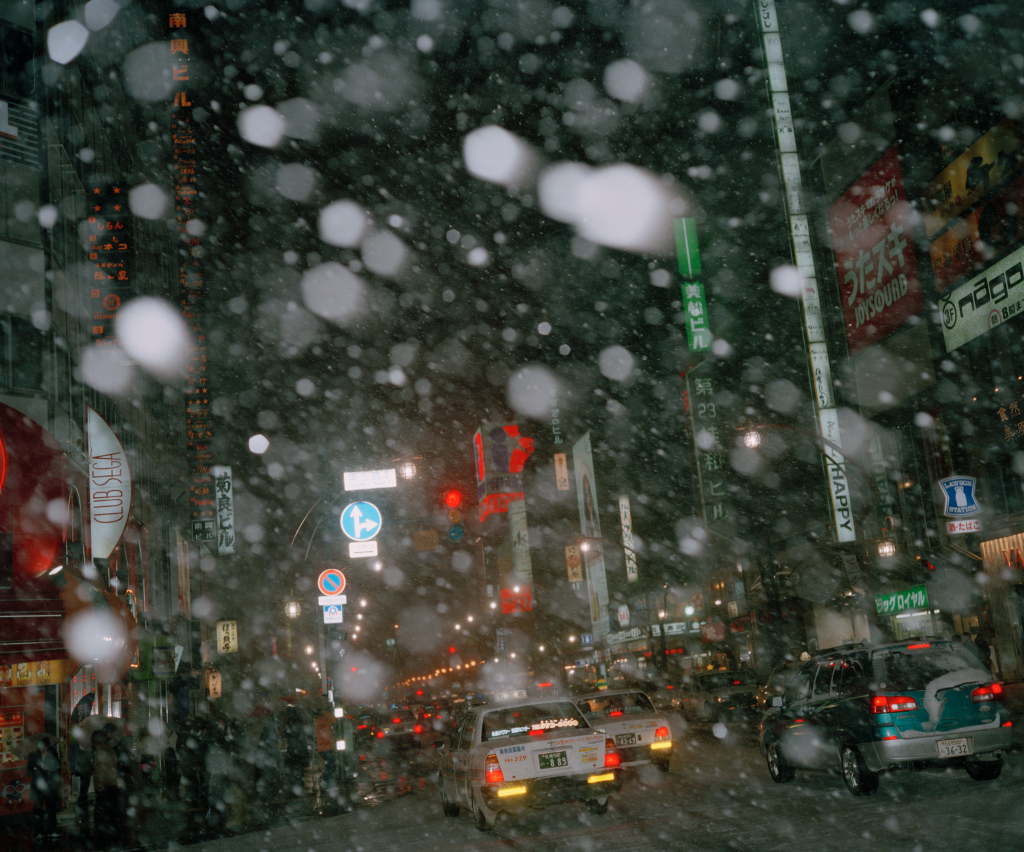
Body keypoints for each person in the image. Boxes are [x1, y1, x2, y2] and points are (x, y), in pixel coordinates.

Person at [27, 735, 61, 839]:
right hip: (38, 787)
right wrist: (37, 769)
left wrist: (47, 769)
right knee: (38, 810)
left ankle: (52, 830)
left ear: (47, 746)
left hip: (51, 787)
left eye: (44, 746)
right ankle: (39, 832)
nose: (41, 748)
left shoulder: (53, 753)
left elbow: (57, 768)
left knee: (51, 810)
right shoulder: (33, 755)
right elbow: (28, 772)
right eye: (39, 746)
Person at [92, 730, 120, 847]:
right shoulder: (110, 749)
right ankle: (112, 840)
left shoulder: (100, 752)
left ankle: (103, 841)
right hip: (112, 786)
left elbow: (100, 771)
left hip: (105, 787)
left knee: (101, 816)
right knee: (111, 815)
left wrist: (99, 786)